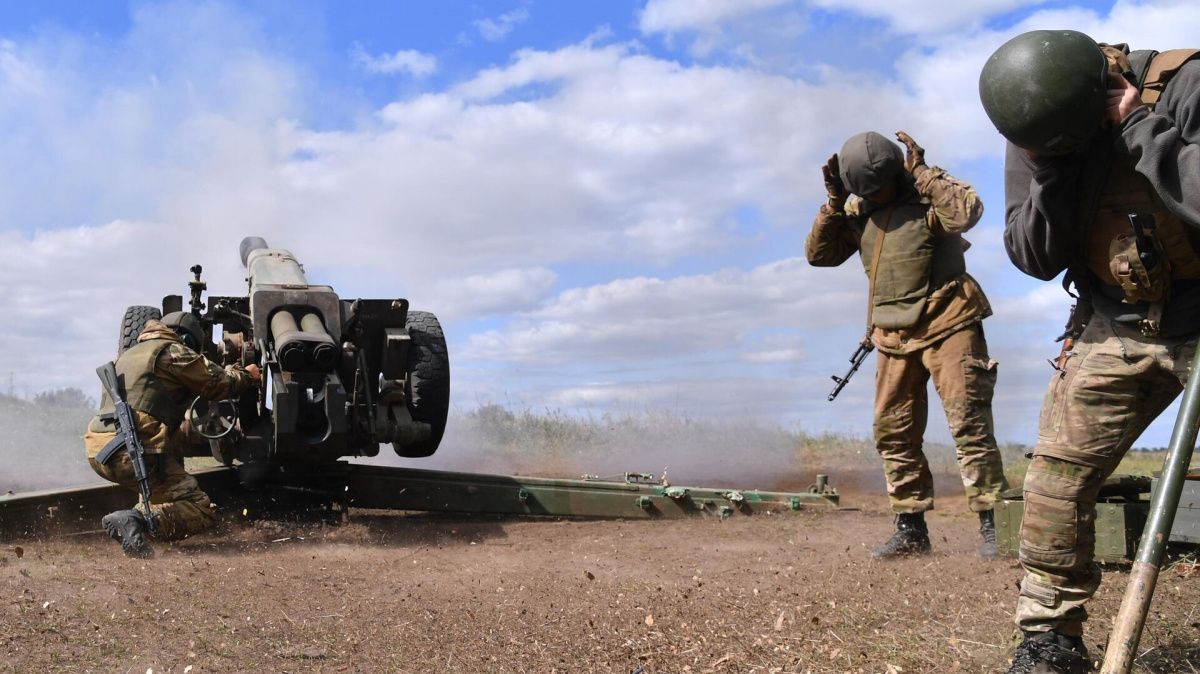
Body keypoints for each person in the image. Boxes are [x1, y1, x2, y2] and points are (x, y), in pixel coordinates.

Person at [980, 29, 1200, 673]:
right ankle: (1049, 636)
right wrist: (1051, 171)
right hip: (1116, 323)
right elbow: (1033, 254)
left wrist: (1137, 124)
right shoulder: (1036, 128)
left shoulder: (1185, 85)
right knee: (1054, 479)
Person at [805, 130, 1009, 559]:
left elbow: (967, 212)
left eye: (882, 186)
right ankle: (911, 528)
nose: (877, 195)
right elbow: (819, 255)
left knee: (969, 423)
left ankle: (996, 526)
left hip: (949, 321)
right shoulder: (858, 212)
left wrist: (921, 172)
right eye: (868, 190)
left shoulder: (927, 196)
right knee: (893, 433)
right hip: (893, 335)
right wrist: (833, 204)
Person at [83, 311, 260, 557]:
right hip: (134, 452)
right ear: (186, 339)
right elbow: (220, 384)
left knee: (160, 492)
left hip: (100, 450)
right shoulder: (173, 351)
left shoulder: (125, 358)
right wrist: (246, 375)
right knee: (199, 508)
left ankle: (136, 534)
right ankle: (138, 521)